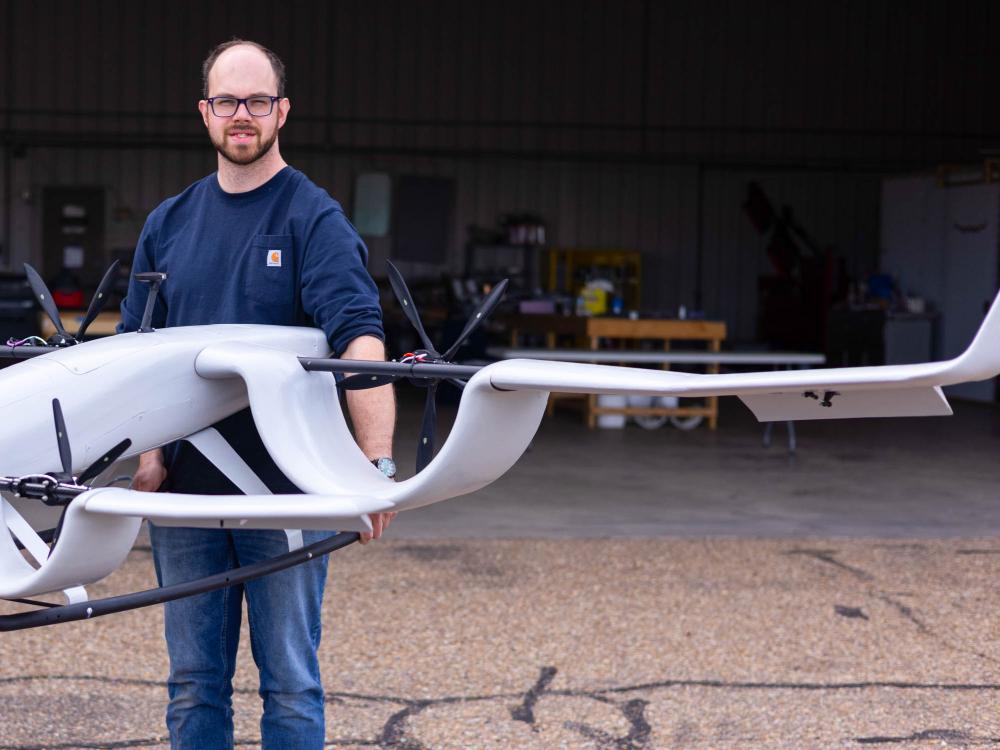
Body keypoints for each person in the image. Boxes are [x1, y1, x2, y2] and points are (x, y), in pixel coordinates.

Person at [117, 39, 396, 749]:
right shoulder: (168, 223)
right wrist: (148, 458)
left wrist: (376, 465)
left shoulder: (313, 217)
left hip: (288, 492)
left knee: (292, 688)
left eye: (258, 101)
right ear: (205, 112)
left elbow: (360, 337)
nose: (242, 115)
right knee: (192, 689)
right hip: (186, 498)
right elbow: (135, 354)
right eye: (227, 102)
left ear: (282, 111)